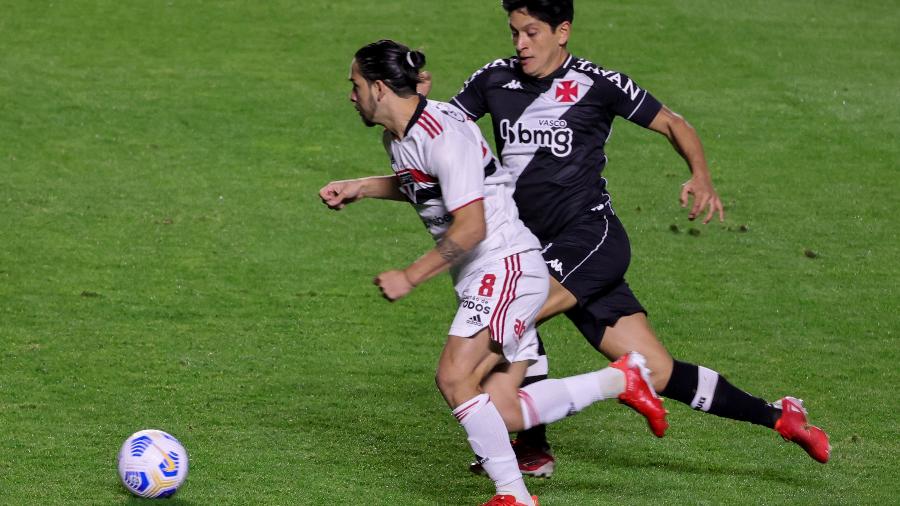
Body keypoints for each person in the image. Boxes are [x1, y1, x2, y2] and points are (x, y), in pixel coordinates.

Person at [440, 0, 830, 476]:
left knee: (512, 315)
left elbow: (673, 123)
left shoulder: (598, 83)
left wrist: (701, 175)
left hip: (588, 238)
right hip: (533, 246)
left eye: (532, 32)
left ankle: (531, 445)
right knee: (658, 369)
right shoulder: (494, 79)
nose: (521, 44)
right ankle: (781, 417)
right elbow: (444, 130)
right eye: (514, 33)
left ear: (562, 32)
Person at [320, 39, 668, 506]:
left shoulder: (442, 134)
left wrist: (411, 276)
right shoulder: (400, 137)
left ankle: (514, 496)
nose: (351, 95)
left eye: (356, 85)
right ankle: (622, 379)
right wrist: (361, 187)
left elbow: (471, 227)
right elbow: (426, 184)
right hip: (489, 274)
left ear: (379, 88)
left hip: (505, 267)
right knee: (501, 411)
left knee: (453, 377)